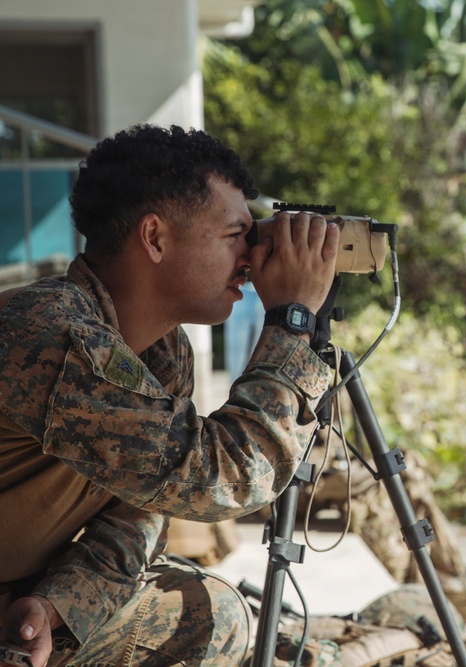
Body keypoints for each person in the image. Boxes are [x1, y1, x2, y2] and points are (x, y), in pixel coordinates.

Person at [0, 124, 340, 666]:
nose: (250, 258)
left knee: (209, 612)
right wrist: (292, 321)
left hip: (20, 600)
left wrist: (58, 605)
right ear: (155, 238)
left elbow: (139, 515)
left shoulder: (162, 351)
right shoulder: (52, 335)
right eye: (235, 235)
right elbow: (222, 478)